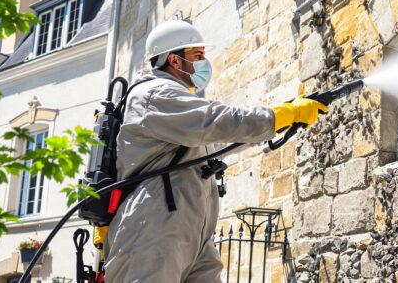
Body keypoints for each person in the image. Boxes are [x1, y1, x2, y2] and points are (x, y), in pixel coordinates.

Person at [103, 20, 326, 282]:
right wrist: (276, 117)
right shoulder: (153, 94)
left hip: (189, 229)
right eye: (197, 56)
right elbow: (214, 122)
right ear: (174, 61)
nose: (204, 62)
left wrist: (281, 120)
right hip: (152, 227)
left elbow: (217, 142)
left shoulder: (176, 101)